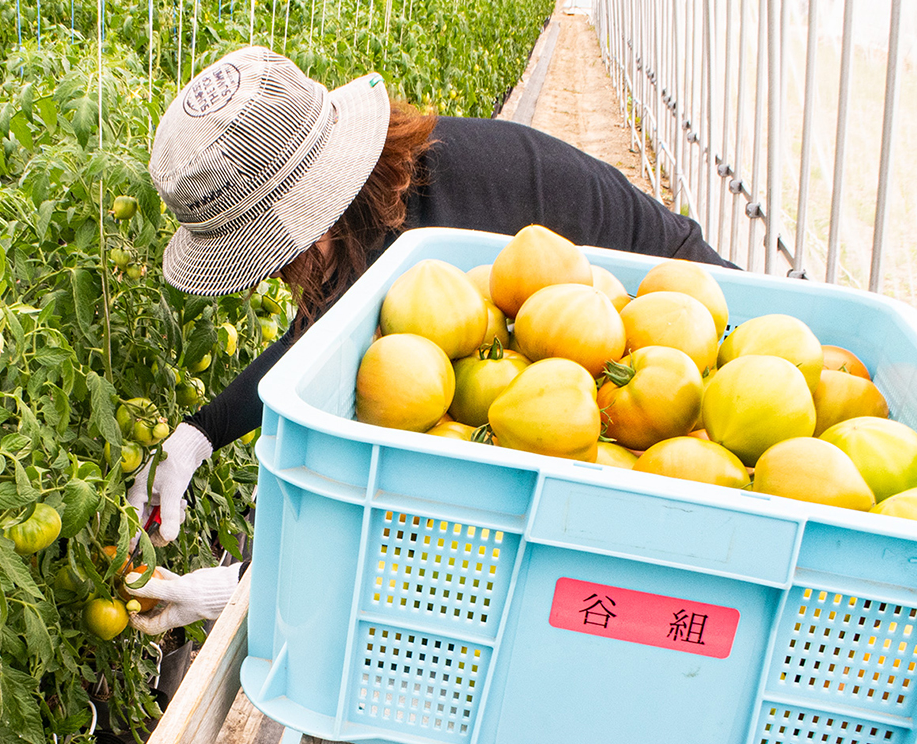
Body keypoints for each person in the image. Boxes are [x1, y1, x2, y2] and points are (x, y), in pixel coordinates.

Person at [121, 45, 733, 634]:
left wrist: (251, 585)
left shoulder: (431, 248)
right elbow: (319, 337)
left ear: (314, 214)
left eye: (277, 254)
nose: (279, 275)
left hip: (688, 324)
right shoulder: (380, 213)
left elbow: (419, 503)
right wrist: (200, 433)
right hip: (621, 380)